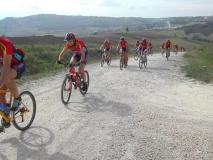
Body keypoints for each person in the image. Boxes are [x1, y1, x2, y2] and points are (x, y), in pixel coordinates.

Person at [0, 36, 26, 117]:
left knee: (7, 78)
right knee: (1, 94)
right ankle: (6, 116)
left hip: (17, 64)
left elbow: (7, 66)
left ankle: (17, 98)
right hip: (4, 67)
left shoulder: (5, 44)